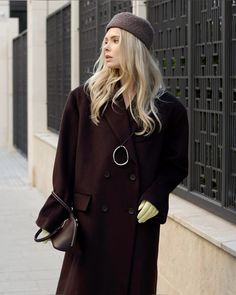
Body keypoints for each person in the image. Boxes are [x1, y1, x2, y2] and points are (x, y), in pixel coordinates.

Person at [35, 12, 188, 295]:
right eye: (105, 40)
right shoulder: (84, 99)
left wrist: (156, 195)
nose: (105, 46)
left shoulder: (168, 108)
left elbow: (176, 164)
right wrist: (54, 215)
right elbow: (65, 163)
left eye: (115, 40)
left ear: (134, 46)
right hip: (91, 221)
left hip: (138, 223)